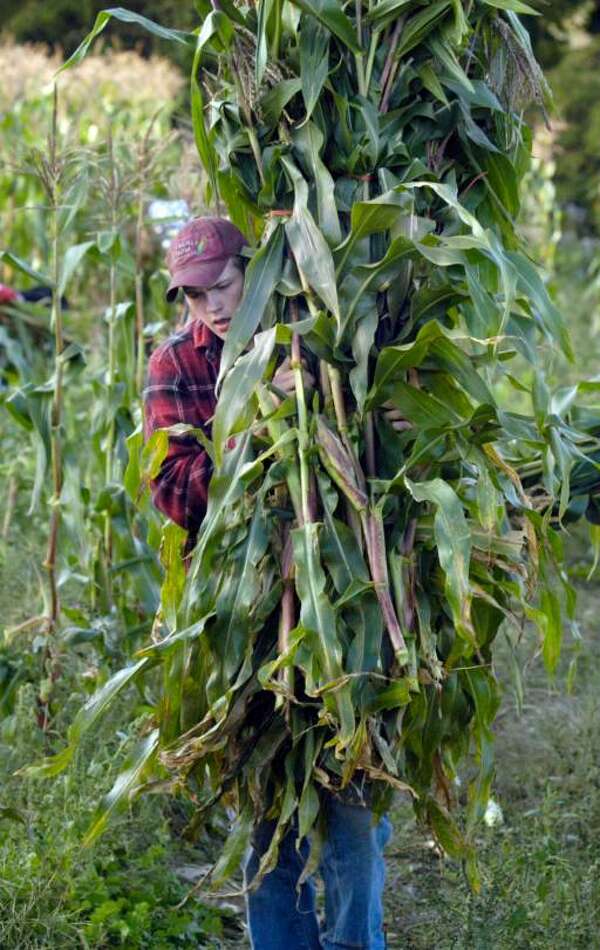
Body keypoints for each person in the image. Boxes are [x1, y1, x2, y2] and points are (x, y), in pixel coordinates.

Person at [143, 216, 391, 949]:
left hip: (346, 603)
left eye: (222, 287)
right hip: (240, 615)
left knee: (350, 806)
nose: (212, 309)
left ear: (257, 269)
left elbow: (379, 447)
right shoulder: (177, 366)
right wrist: (255, 415)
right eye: (193, 297)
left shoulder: (313, 336)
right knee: (270, 808)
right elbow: (177, 492)